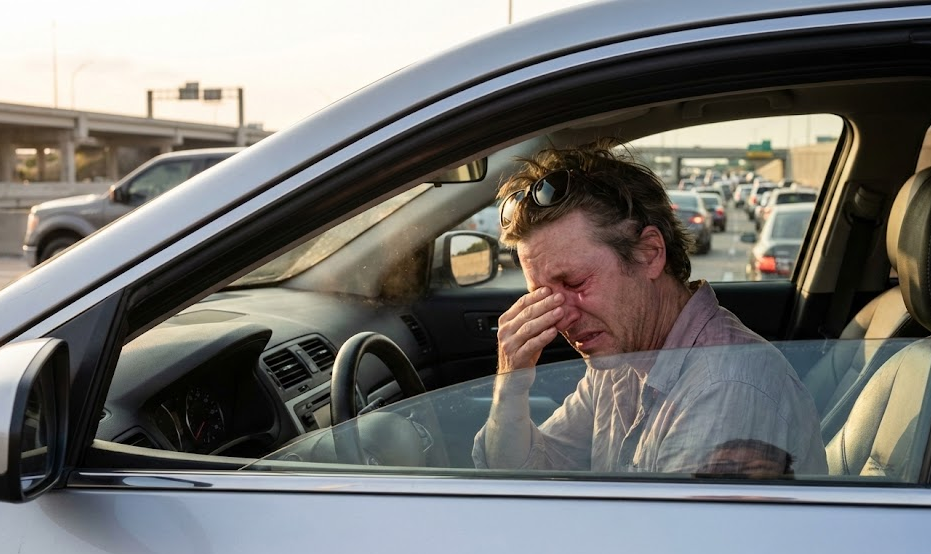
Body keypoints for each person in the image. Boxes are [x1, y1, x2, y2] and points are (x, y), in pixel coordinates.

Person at [472, 140, 827, 475]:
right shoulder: (620, 358)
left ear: (650, 254)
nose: (560, 315)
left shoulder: (724, 387)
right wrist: (511, 387)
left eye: (576, 283)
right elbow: (532, 476)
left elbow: (667, 538)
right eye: (541, 296)